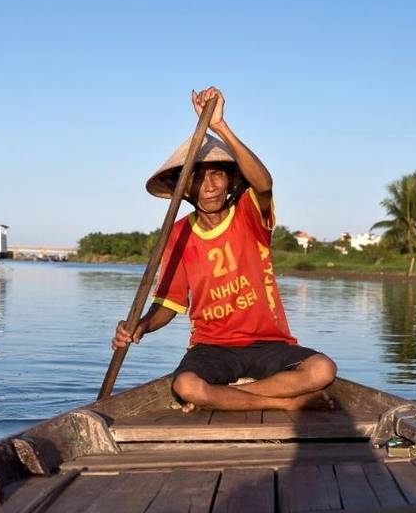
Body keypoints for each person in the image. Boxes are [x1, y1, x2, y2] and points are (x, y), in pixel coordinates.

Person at [111, 87, 337, 412]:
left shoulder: (247, 213)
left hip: (267, 344)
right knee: (186, 384)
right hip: (212, 347)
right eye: (199, 178)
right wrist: (140, 327)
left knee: (322, 369)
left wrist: (221, 126)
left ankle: (228, 397)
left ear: (230, 180)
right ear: (185, 187)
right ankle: (284, 404)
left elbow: (264, 183)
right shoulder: (177, 234)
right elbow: (170, 304)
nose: (210, 186)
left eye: (217, 175)